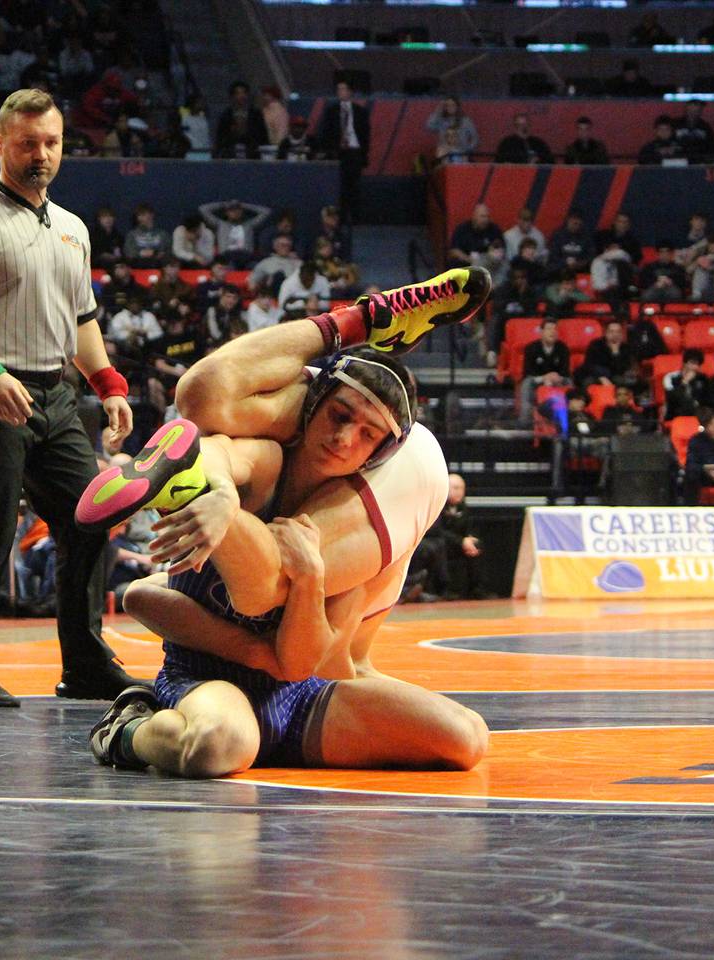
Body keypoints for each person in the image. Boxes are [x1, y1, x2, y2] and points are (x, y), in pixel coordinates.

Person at [82, 275, 491, 776]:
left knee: (465, 739)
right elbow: (217, 448)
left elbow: (299, 666)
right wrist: (225, 494)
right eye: (339, 415)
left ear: (377, 453)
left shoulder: (354, 527)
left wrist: (310, 579)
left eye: (365, 435)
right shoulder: (268, 460)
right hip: (210, 682)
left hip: (298, 696)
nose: (344, 439)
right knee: (219, 747)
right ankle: (126, 731)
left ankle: (192, 486)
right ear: (312, 406)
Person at [0, 88, 139, 707]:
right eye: (26, 144)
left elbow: (81, 320)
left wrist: (110, 385)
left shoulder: (72, 229)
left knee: (90, 522)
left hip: (55, 396)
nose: (39, 155)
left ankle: (85, 665)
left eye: (51, 143)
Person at [315, 80, 370, 222]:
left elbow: (365, 134)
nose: (340, 92)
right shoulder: (331, 111)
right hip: (338, 152)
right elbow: (326, 133)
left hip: (354, 151)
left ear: (350, 92)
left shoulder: (360, 111)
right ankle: (340, 216)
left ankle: (356, 217)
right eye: (338, 89)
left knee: (354, 186)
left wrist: (364, 155)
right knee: (339, 185)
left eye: (343, 89)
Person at [519, 318, 570, 423]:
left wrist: (556, 378)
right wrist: (544, 378)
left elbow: (565, 371)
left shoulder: (563, 348)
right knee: (526, 383)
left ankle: (570, 417)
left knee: (569, 382)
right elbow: (528, 371)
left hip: (557, 380)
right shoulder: (531, 348)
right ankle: (525, 420)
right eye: (549, 329)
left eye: (555, 329)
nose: (552, 332)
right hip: (537, 380)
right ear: (541, 332)